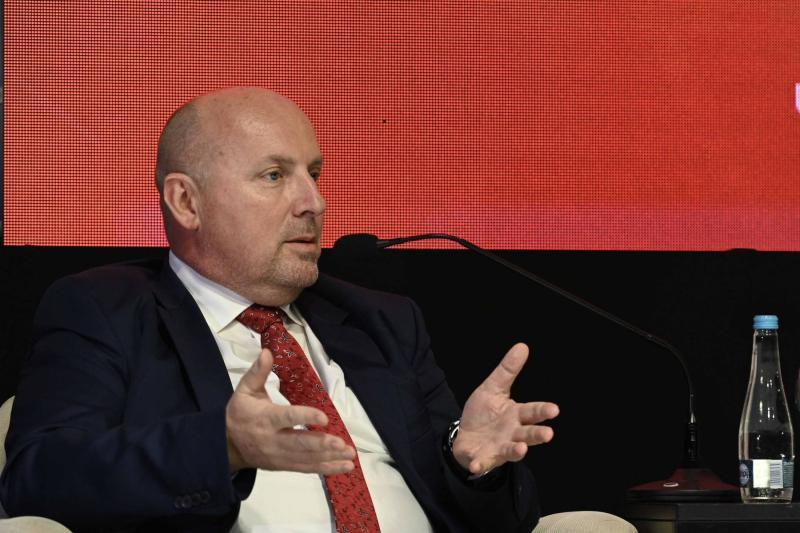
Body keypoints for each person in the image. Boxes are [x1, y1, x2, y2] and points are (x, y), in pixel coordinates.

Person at [0, 87, 559, 532]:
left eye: (313, 175)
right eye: (274, 176)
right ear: (186, 202)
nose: (314, 202)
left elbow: (496, 520)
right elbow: (37, 480)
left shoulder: (382, 321)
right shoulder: (106, 309)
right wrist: (221, 447)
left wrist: (470, 467)